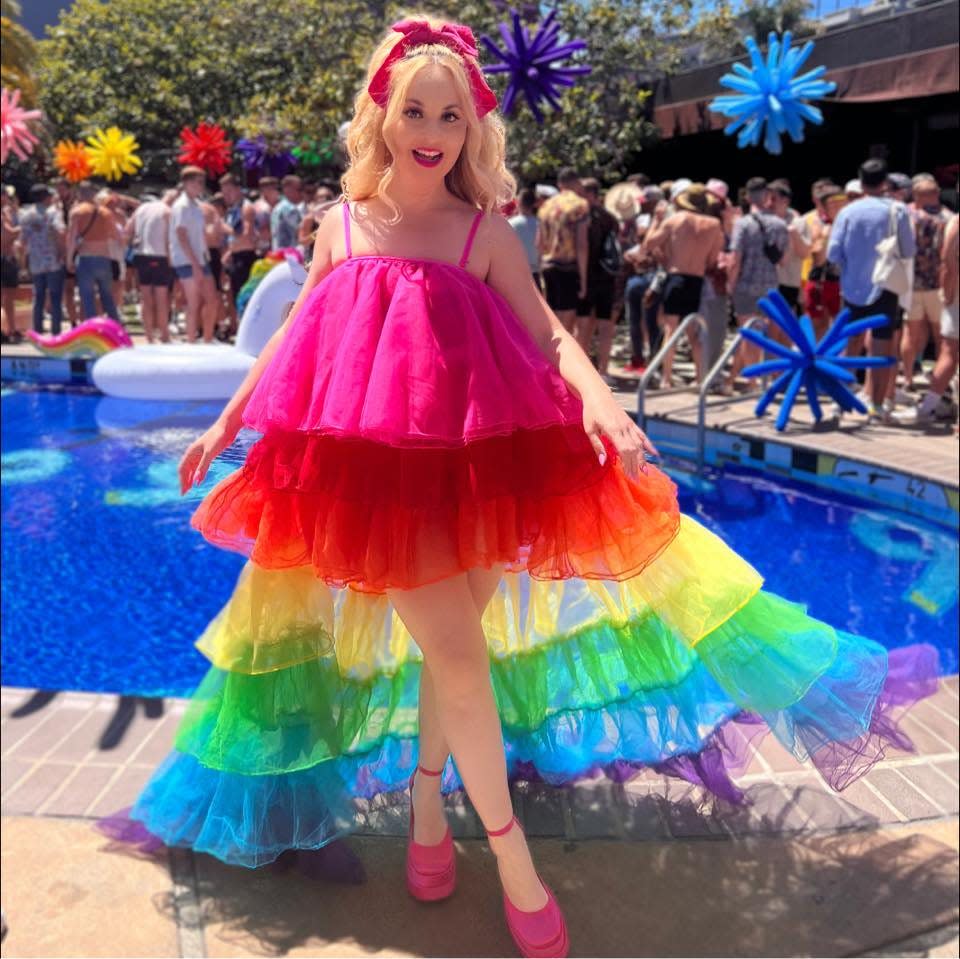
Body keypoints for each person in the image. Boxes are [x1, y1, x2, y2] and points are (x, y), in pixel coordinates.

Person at [108, 17, 940, 959]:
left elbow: (548, 335)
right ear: (381, 115)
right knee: (461, 660)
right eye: (414, 108)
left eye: (451, 115)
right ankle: (512, 862)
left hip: (478, 473)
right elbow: (296, 339)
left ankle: (428, 809)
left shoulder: (483, 233)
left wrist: (608, 406)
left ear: (473, 130)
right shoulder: (340, 224)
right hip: (379, 488)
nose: (432, 129)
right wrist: (226, 423)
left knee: (449, 656)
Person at [827, 157, 916, 421]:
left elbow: (833, 253)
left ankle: (839, 400)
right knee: (880, 346)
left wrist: (850, 266)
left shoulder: (847, 212)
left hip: (852, 286)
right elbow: (908, 250)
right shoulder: (897, 211)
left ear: (861, 181)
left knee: (850, 343)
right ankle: (876, 407)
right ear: (885, 182)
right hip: (885, 285)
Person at [643, 183, 724, 386]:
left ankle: (666, 379)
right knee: (693, 332)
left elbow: (648, 244)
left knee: (671, 330)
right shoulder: (714, 225)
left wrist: (655, 220)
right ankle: (699, 379)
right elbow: (712, 260)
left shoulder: (676, 219)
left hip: (676, 277)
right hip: (696, 279)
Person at [896, 212, 959, 426]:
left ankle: (928, 407)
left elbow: (949, 262)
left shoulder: (956, 222)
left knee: (950, 352)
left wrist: (949, 293)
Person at [724, 177, 787, 390]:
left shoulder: (743, 223)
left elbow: (735, 259)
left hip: (746, 285)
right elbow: (783, 260)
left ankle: (752, 381)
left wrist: (730, 285)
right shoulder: (780, 224)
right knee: (767, 335)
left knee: (748, 335)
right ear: (768, 196)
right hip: (771, 286)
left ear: (748, 197)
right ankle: (760, 378)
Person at [901, 173, 950, 390]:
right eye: (932, 192)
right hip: (924, 285)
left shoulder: (908, 214)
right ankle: (922, 380)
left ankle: (922, 379)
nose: (936, 195)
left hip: (924, 284)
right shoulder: (946, 217)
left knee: (925, 333)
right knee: (926, 334)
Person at [573, 178, 621, 381]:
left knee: (583, 325)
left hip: (588, 275)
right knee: (605, 325)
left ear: (590, 194)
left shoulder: (582, 218)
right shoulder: (610, 218)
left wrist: (581, 281)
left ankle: (582, 370)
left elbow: (582, 249)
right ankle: (604, 369)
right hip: (607, 277)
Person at [536, 167, 588, 334]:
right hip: (568, 267)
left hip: (548, 266)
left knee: (551, 319)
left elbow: (539, 243)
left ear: (559, 184)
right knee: (567, 322)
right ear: (577, 183)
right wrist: (584, 280)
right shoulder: (579, 205)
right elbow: (581, 244)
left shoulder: (546, 206)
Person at [169, 167, 219, 343]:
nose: (201, 186)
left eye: (202, 182)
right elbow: (181, 236)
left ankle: (207, 340)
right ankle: (191, 342)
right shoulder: (181, 206)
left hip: (200, 258)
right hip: (187, 261)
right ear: (187, 183)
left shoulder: (196, 205)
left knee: (212, 300)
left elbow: (198, 235)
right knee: (194, 303)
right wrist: (195, 264)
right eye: (198, 182)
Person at [65, 181, 123, 322]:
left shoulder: (77, 212)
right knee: (107, 297)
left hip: (86, 258)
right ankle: (115, 328)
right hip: (104, 257)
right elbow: (117, 236)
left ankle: (92, 330)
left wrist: (69, 260)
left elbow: (72, 238)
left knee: (87, 298)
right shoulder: (106, 213)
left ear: (80, 194)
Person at [19, 184, 66, 335]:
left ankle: (37, 329)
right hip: (53, 260)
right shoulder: (53, 212)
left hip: (35, 260)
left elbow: (22, 240)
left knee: (38, 296)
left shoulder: (27, 215)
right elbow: (60, 231)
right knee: (55, 296)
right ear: (46, 197)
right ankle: (56, 330)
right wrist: (62, 252)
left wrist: (23, 264)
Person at [127, 189, 173, 343]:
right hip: (159, 256)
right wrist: (171, 260)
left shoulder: (141, 209)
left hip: (141, 256)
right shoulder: (167, 211)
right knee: (161, 298)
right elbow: (168, 238)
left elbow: (128, 231)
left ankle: (149, 336)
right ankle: (164, 335)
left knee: (145, 298)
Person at [767, 179, 809, 316]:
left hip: (788, 282)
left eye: (773, 199)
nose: (769, 203)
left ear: (785, 201)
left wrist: (793, 233)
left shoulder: (799, 222)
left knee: (785, 327)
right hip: (762, 282)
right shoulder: (760, 221)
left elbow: (804, 254)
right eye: (767, 199)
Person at [508, 186, 541, 289]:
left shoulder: (510, 224)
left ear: (519, 202)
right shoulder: (540, 223)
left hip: (516, 274)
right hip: (536, 272)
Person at [1, 186, 22, 342]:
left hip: (7, 257)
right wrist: (25, 226)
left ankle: (11, 328)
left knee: (9, 297)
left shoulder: (6, 212)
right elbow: (8, 235)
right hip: (4, 258)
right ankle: (8, 329)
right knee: (7, 296)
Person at [270, 174, 304, 250]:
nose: (302, 193)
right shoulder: (288, 210)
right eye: (299, 189)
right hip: (288, 256)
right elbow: (299, 232)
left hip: (281, 254)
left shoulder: (279, 207)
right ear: (287, 190)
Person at [252, 176, 279, 254]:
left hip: (276, 246)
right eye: (273, 188)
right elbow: (264, 231)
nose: (276, 191)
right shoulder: (260, 207)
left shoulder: (278, 203)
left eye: (276, 188)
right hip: (262, 248)